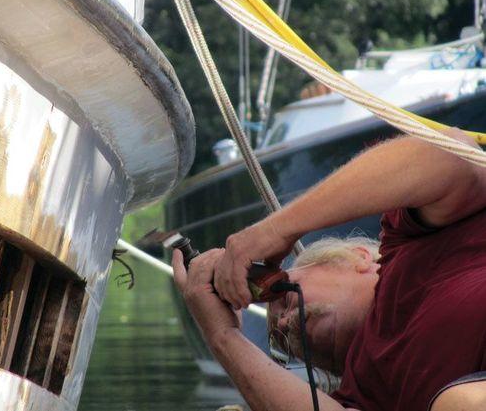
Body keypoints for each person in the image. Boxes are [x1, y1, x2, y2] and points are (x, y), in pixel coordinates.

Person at [172, 130, 486, 411]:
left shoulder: (413, 244)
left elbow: (454, 154)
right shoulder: (358, 397)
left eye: (283, 289)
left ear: (358, 258)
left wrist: (276, 230)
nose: (281, 318)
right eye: (279, 337)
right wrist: (223, 336)